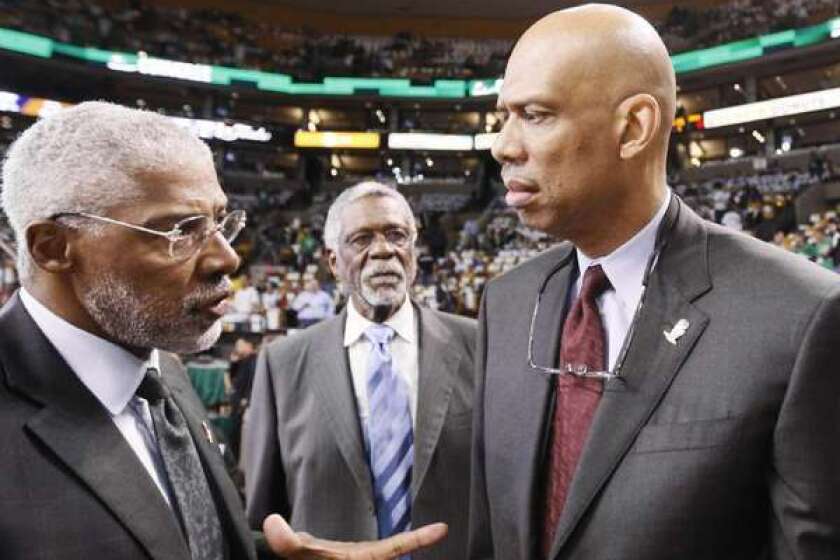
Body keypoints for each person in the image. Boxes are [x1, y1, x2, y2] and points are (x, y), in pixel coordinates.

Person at [468, 5, 840, 560]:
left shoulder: (799, 316)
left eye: (536, 114)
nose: (503, 145)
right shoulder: (507, 304)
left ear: (634, 127)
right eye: (504, 116)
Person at [0, 101, 446, 560]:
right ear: (53, 248)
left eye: (220, 222)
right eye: (179, 231)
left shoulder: (160, 373)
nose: (227, 259)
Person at [245, 181, 476, 559]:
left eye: (396, 235)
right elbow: (265, 520)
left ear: (414, 253)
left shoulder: (478, 345)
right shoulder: (282, 364)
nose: (383, 250)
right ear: (334, 262)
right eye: (361, 239)